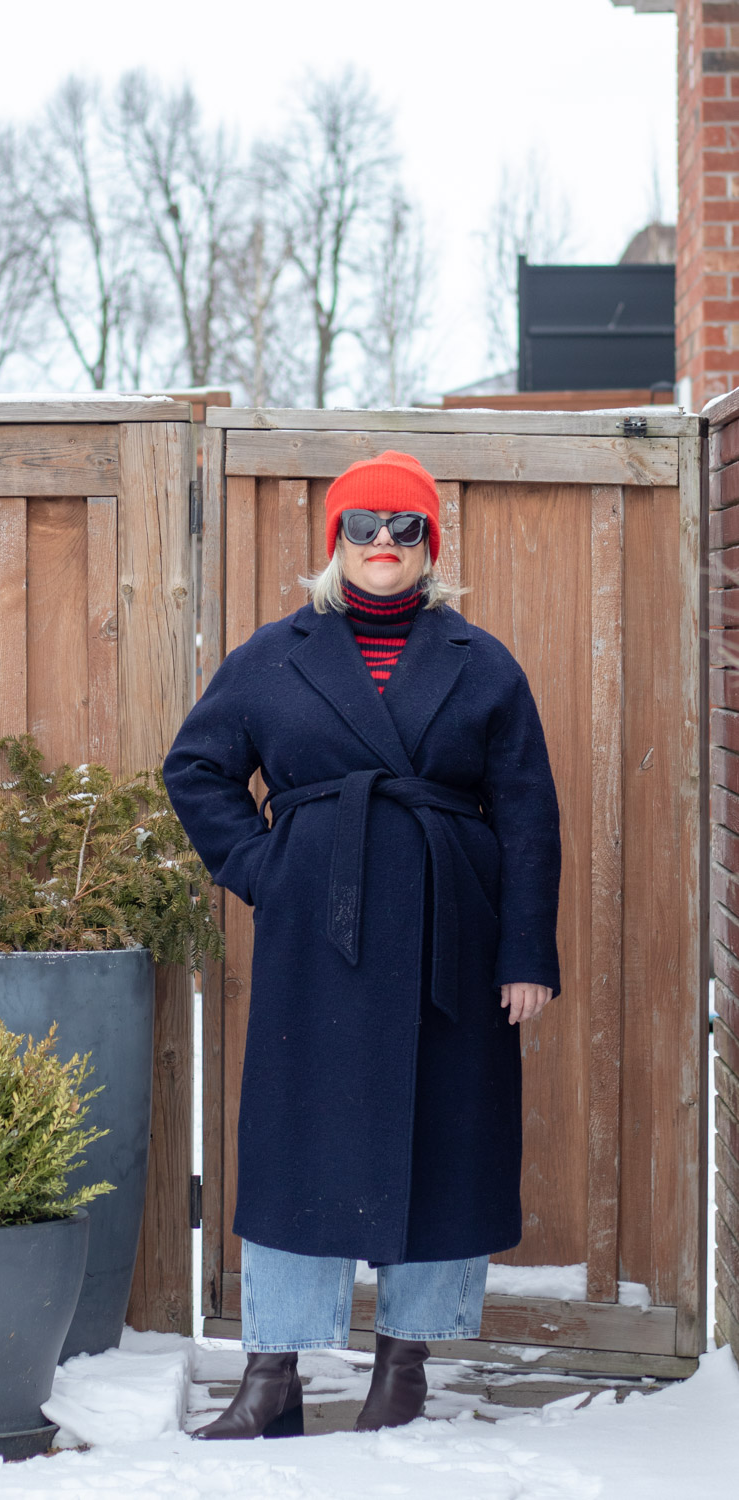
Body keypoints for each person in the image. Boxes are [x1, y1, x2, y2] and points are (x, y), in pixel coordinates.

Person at [163, 450, 560, 1440]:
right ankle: (271, 1378)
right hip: (317, 942)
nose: (381, 545)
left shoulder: (481, 663)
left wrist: (523, 951)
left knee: (444, 1143)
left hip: (449, 943)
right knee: (295, 1142)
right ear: (331, 539)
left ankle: (405, 1366)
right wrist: (264, 871)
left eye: (403, 528)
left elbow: (526, 815)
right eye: (362, 527)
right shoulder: (272, 653)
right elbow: (196, 770)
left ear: (431, 544)